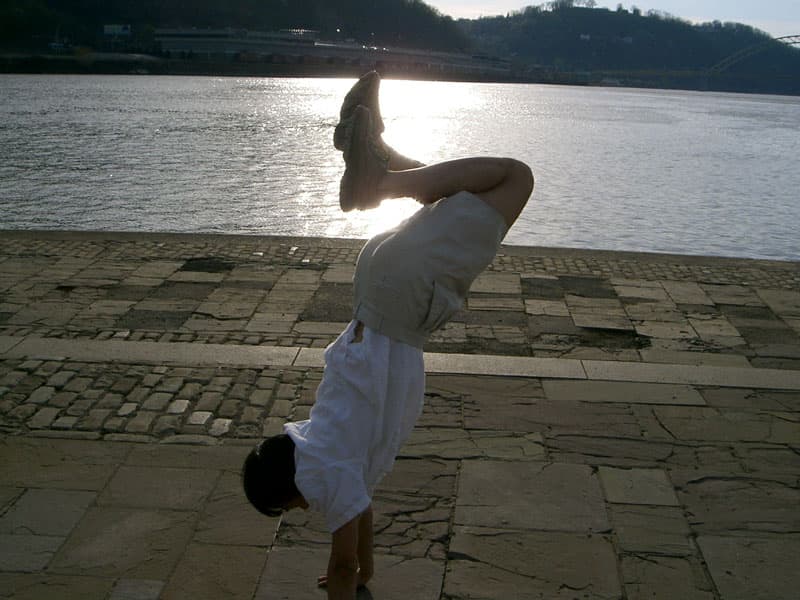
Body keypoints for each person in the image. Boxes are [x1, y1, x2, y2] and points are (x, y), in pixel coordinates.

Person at [242, 72, 534, 599]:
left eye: (289, 508)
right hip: (378, 281)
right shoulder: (323, 445)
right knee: (475, 186)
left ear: (291, 492)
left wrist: (348, 580)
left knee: (517, 176)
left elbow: (343, 561)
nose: (301, 511)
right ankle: (378, 154)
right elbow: (360, 526)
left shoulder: (326, 478)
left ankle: (380, 182)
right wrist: (367, 576)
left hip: (405, 294)